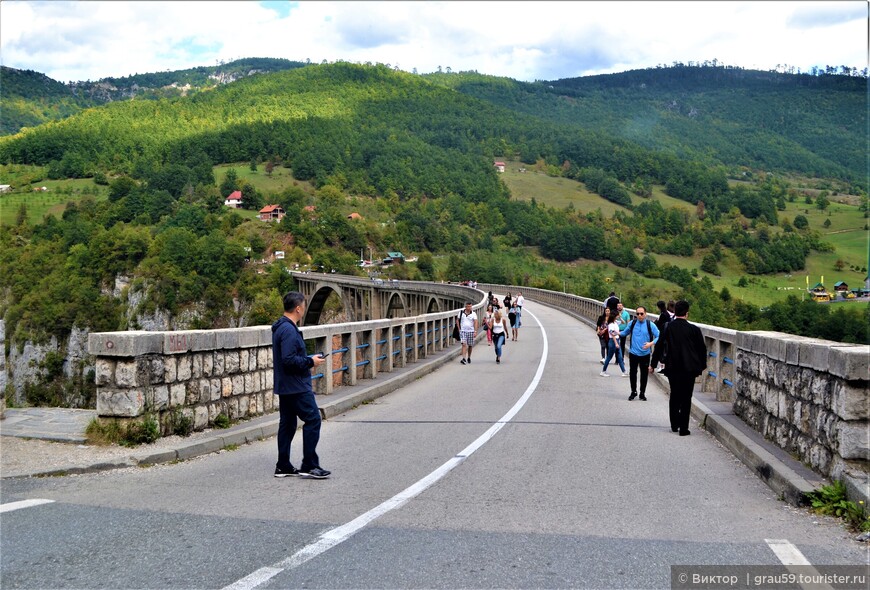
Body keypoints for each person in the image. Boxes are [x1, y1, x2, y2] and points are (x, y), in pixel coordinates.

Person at [272, 291, 331, 479]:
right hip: (297, 386)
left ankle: (283, 465)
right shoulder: (289, 330)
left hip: (285, 385)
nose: (304, 310)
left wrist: (307, 359)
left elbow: (287, 358)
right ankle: (309, 465)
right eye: (303, 307)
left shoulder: (280, 328)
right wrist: (309, 362)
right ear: (298, 308)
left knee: (288, 425)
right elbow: (289, 360)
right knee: (313, 419)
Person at [649, 300, 707, 436]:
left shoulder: (667, 327)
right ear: (687, 313)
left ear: (674, 312)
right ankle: (684, 428)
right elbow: (702, 350)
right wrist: (702, 366)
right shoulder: (694, 329)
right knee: (686, 397)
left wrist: (652, 364)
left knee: (674, 395)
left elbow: (658, 347)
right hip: (689, 369)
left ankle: (674, 424)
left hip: (672, 367)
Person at [620, 306, 659, 401]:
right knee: (633, 373)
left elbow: (659, 336)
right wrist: (615, 332)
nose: (639, 316)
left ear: (645, 314)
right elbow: (624, 333)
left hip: (645, 354)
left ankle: (642, 393)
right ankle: (633, 391)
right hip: (633, 353)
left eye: (641, 313)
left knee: (644, 374)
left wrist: (650, 343)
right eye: (637, 314)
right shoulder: (632, 324)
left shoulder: (650, 325)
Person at [600, 313, 627, 377]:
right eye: (617, 315)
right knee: (609, 357)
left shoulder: (615, 322)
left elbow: (623, 322)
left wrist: (620, 317)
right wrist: (616, 343)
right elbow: (612, 334)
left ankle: (624, 371)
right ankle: (603, 371)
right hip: (613, 341)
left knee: (620, 357)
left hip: (617, 340)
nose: (618, 316)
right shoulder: (611, 324)